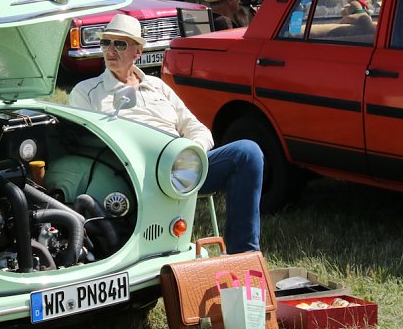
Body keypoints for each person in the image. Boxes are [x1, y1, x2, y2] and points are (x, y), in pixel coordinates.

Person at [69, 14, 263, 254]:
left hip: (180, 168)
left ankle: (244, 255)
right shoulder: (87, 91)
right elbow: (86, 142)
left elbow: (197, 128)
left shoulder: (157, 85)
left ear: (137, 51)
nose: (111, 50)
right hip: (134, 173)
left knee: (247, 152)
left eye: (120, 44)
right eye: (106, 43)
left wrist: (190, 155)